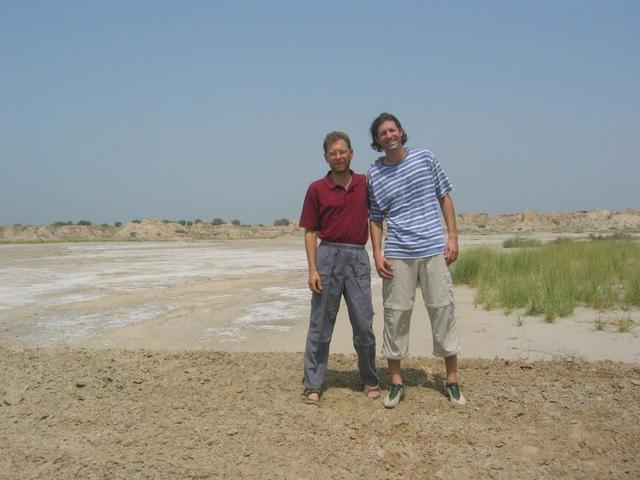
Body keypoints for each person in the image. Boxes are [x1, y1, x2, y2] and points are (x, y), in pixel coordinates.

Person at [367, 113, 466, 408]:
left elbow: (444, 196)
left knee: (442, 310)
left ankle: (451, 380)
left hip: (433, 248)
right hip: (398, 253)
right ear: (377, 140)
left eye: (392, 129)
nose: (389, 135)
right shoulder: (374, 173)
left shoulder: (425, 158)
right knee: (395, 315)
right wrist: (377, 252)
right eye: (382, 133)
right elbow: (375, 218)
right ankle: (396, 383)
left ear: (401, 132)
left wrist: (453, 237)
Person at [299, 131, 380, 406]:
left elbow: (376, 218)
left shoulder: (364, 184)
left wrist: (379, 252)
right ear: (326, 157)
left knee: (364, 324)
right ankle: (313, 383)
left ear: (351, 153)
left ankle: (369, 378)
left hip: (357, 257)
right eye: (333, 153)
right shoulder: (316, 188)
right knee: (320, 325)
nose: (338, 156)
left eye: (342, 151)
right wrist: (312, 269)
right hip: (328, 256)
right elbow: (310, 232)